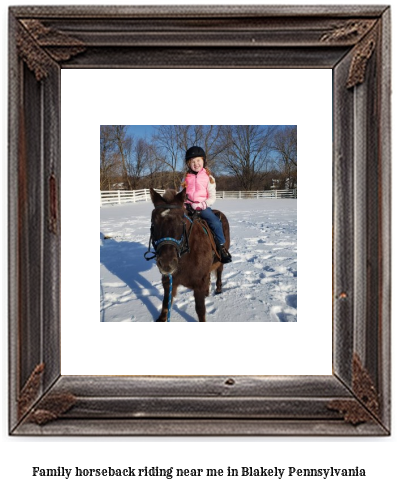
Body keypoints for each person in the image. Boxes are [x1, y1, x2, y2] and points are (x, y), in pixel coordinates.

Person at [181, 146, 232, 264]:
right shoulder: (185, 178)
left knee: (215, 222)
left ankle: (221, 246)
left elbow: (212, 196)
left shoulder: (209, 178)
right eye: (192, 161)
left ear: (203, 161)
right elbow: (181, 194)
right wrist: (184, 203)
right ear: (188, 164)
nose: (196, 164)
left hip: (202, 207)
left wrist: (202, 205)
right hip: (187, 207)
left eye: (198, 160)